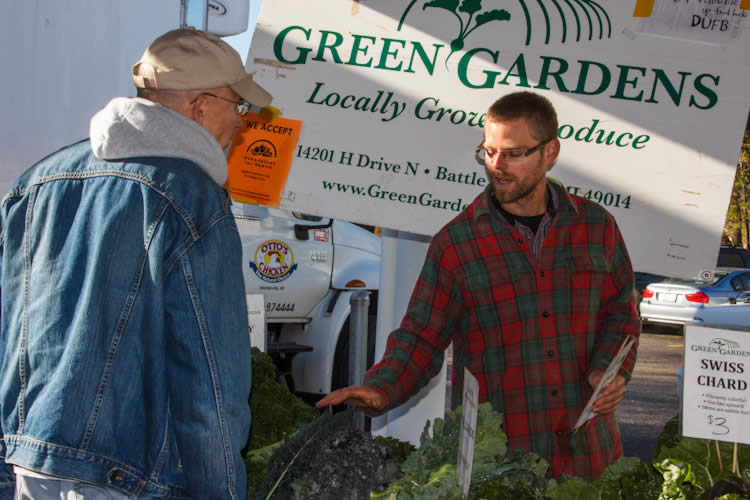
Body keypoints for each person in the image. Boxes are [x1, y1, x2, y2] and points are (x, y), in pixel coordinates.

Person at [0, 29, 272, 499]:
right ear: (201, 105)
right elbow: (211, 389)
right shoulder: (193, 199)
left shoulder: (39, 180)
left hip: (29, 465)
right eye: (239, 107)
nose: (241, 124)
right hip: (127, 478)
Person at [317, 91, 641, 481]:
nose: (497, 166)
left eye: (514, 153)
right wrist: (382, 388)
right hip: (501, 466)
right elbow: (421, 337)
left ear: (550, 151)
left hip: (592, 458)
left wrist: (609, 371)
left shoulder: (596, 225)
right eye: (488, 151)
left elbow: (622, 310)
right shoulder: (457, 243)